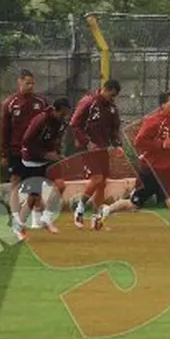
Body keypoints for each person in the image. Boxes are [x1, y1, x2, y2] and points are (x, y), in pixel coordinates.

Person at [94, 91, 170, 254]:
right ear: (163, 105)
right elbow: (139, 141)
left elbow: (168, 145)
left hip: (166, 171)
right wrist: (161, 145)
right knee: (133, 204)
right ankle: (106, 210)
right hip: (150, 170)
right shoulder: (154, 121)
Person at [13, 98, 72, 240]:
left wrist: (59, 154)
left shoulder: (62, 123)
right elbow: (26, 141)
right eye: (63, 114)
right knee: (33, 197)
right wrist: (45, 154)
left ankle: (46, 218)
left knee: (60, 185)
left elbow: (56, 140)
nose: (65, 117)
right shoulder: (41, 120)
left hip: (48, 159)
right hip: (32, 160)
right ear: (56, 110)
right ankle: (18, 227)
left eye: (67, 114)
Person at [69, 79, 122, 229]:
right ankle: (79, 209)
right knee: (97, 178)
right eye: (111, 95)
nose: (112, 98)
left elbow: (114, 130)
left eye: (115, 96)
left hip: (102, 148)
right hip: (87, 148)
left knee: (102, 183)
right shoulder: (89, 102)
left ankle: (96, 219)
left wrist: (118, 145)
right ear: (104, 89)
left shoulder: (112, 108)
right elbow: (74, 124)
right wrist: (87, 142)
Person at [0, 69, 48, 224]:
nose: (30, 86)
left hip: (35, 151)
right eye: (27, 83)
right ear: (19, 82)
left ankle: (36, 217)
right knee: (15, 181)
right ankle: (15, 216)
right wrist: (4, 153)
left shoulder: (41, 102)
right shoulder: (10, 103)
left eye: (32, 83)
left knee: (36, 183)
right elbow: (5, 130)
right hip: (16, 150)